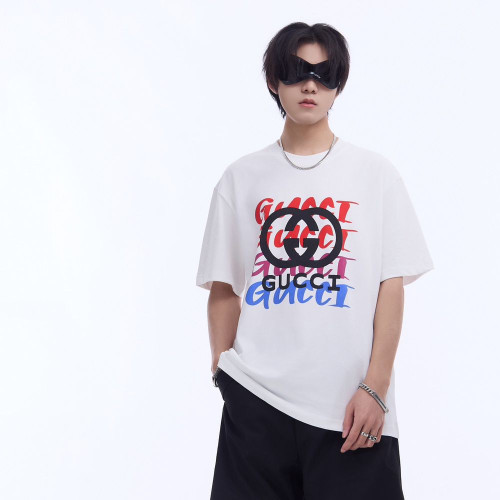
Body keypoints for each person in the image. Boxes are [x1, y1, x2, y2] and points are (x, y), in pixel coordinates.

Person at [195, 21, 433, 500]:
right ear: (273, 80)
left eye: (324, 75)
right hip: (256, 402)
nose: (310, 85)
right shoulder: (241, 178)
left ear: (338, 84)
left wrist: (375, 388)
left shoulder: (375, 175)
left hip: (351, 411)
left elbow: (390, 287)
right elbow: (223, 287)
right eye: (297, 71)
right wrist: (225, 373)